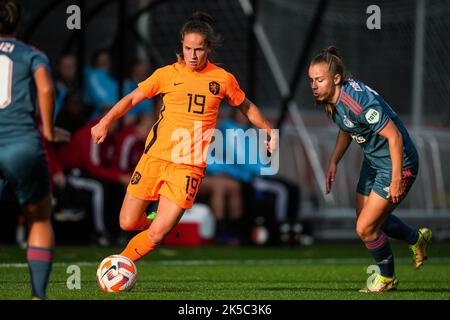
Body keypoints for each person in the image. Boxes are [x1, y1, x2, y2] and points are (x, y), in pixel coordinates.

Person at [91, 12, 276, 265]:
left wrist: (267, 130)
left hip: (188, 167)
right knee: (128, 222)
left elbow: (246, 106)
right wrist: (105, 121)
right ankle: (156, 220)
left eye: (198, 49)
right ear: (182, 46)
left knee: (156, 235)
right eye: (188, 48)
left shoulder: (222, 79)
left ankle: (120, 265)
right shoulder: (166, 74)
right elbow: (133, 98)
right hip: (154, 158)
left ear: (208, 48)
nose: (193, 55)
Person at [308, 46, 431, 292]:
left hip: (399, 162)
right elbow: (348, 126)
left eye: (319, 80)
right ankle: (416, 238)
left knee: (365, 228)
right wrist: (334, 161)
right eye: (311, 80)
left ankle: (387, 278)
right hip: (374, 162)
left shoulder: (357, 102)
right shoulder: (334, 99)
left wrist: (397, 178)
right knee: (368, 220)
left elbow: (394, 137)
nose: (314, 85)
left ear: (336, 79)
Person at [0, 0, 57, 299]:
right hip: (21, 143)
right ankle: (37, 294)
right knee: (39, 217)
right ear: (18, 24)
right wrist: (48, 130)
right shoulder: (31, 54)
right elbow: (46, 88)